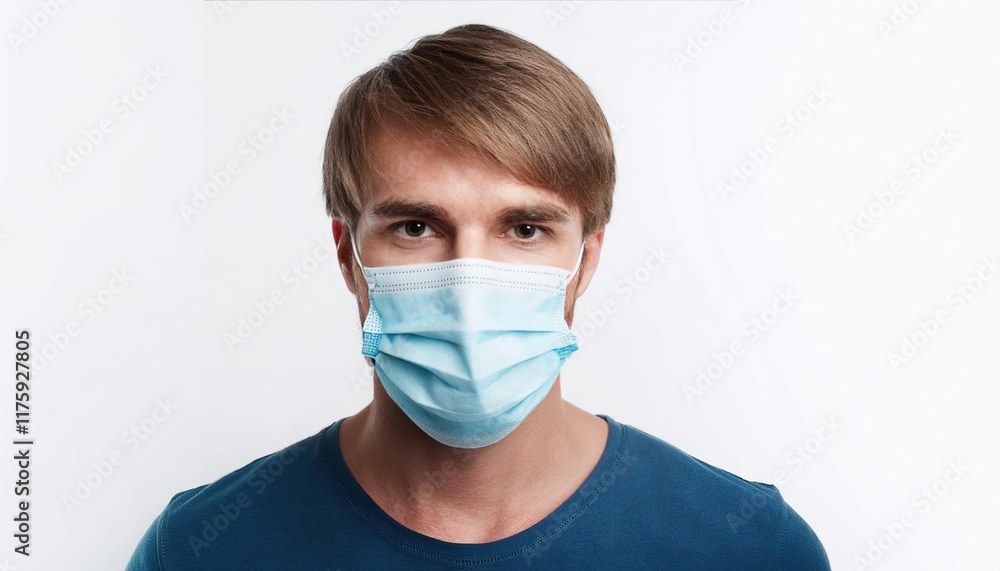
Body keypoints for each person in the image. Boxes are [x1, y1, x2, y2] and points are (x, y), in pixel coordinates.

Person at [126, 23, 831, 570]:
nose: (468, 283)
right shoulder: (203, 547)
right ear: (349, 255)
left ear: (584, 261)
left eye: (524, 228)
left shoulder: (744, 545)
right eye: (416, 226)